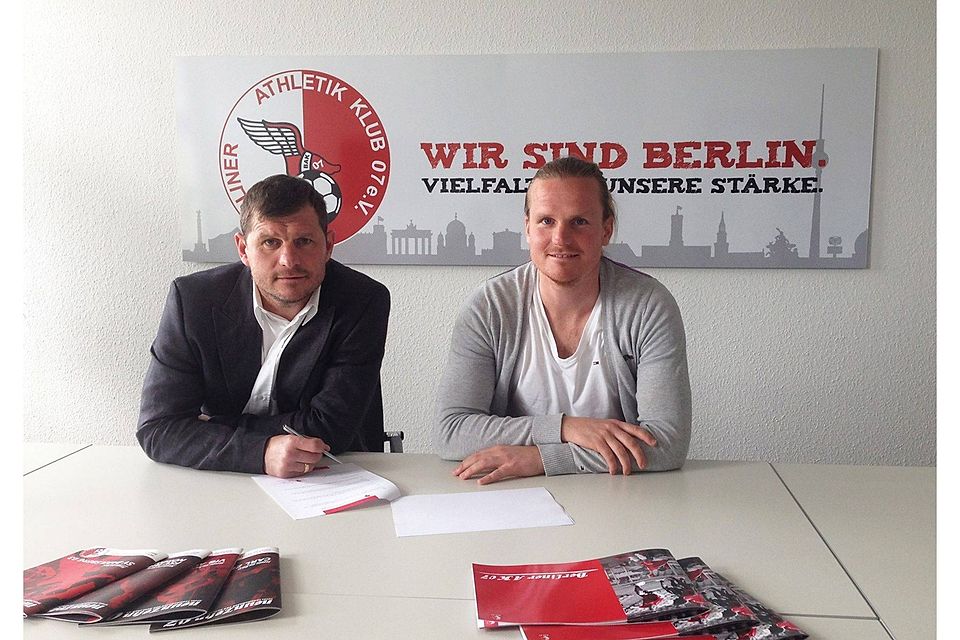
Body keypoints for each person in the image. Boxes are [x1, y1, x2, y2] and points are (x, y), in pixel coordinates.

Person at [436, 156, 691, 484]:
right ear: (527, 228)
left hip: (622, 495)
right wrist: (566, 427)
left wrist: (543, 457)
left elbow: (666, 444)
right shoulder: (490, 307)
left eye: (579, 222)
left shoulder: (648, 306)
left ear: (606, 229)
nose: (561, 238)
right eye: (546, 221)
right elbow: (453, 431)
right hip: (514, 497)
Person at [138, 174, 390, 478]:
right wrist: (259, 452)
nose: (288, 259)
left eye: (304, 241)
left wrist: (213, 427)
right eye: (270, 242)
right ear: (243, 249)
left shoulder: (363, 301)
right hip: (218, 478)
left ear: (328, 246)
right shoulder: (193, 301)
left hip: (329, 475)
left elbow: (329, 428)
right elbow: (158, 429)